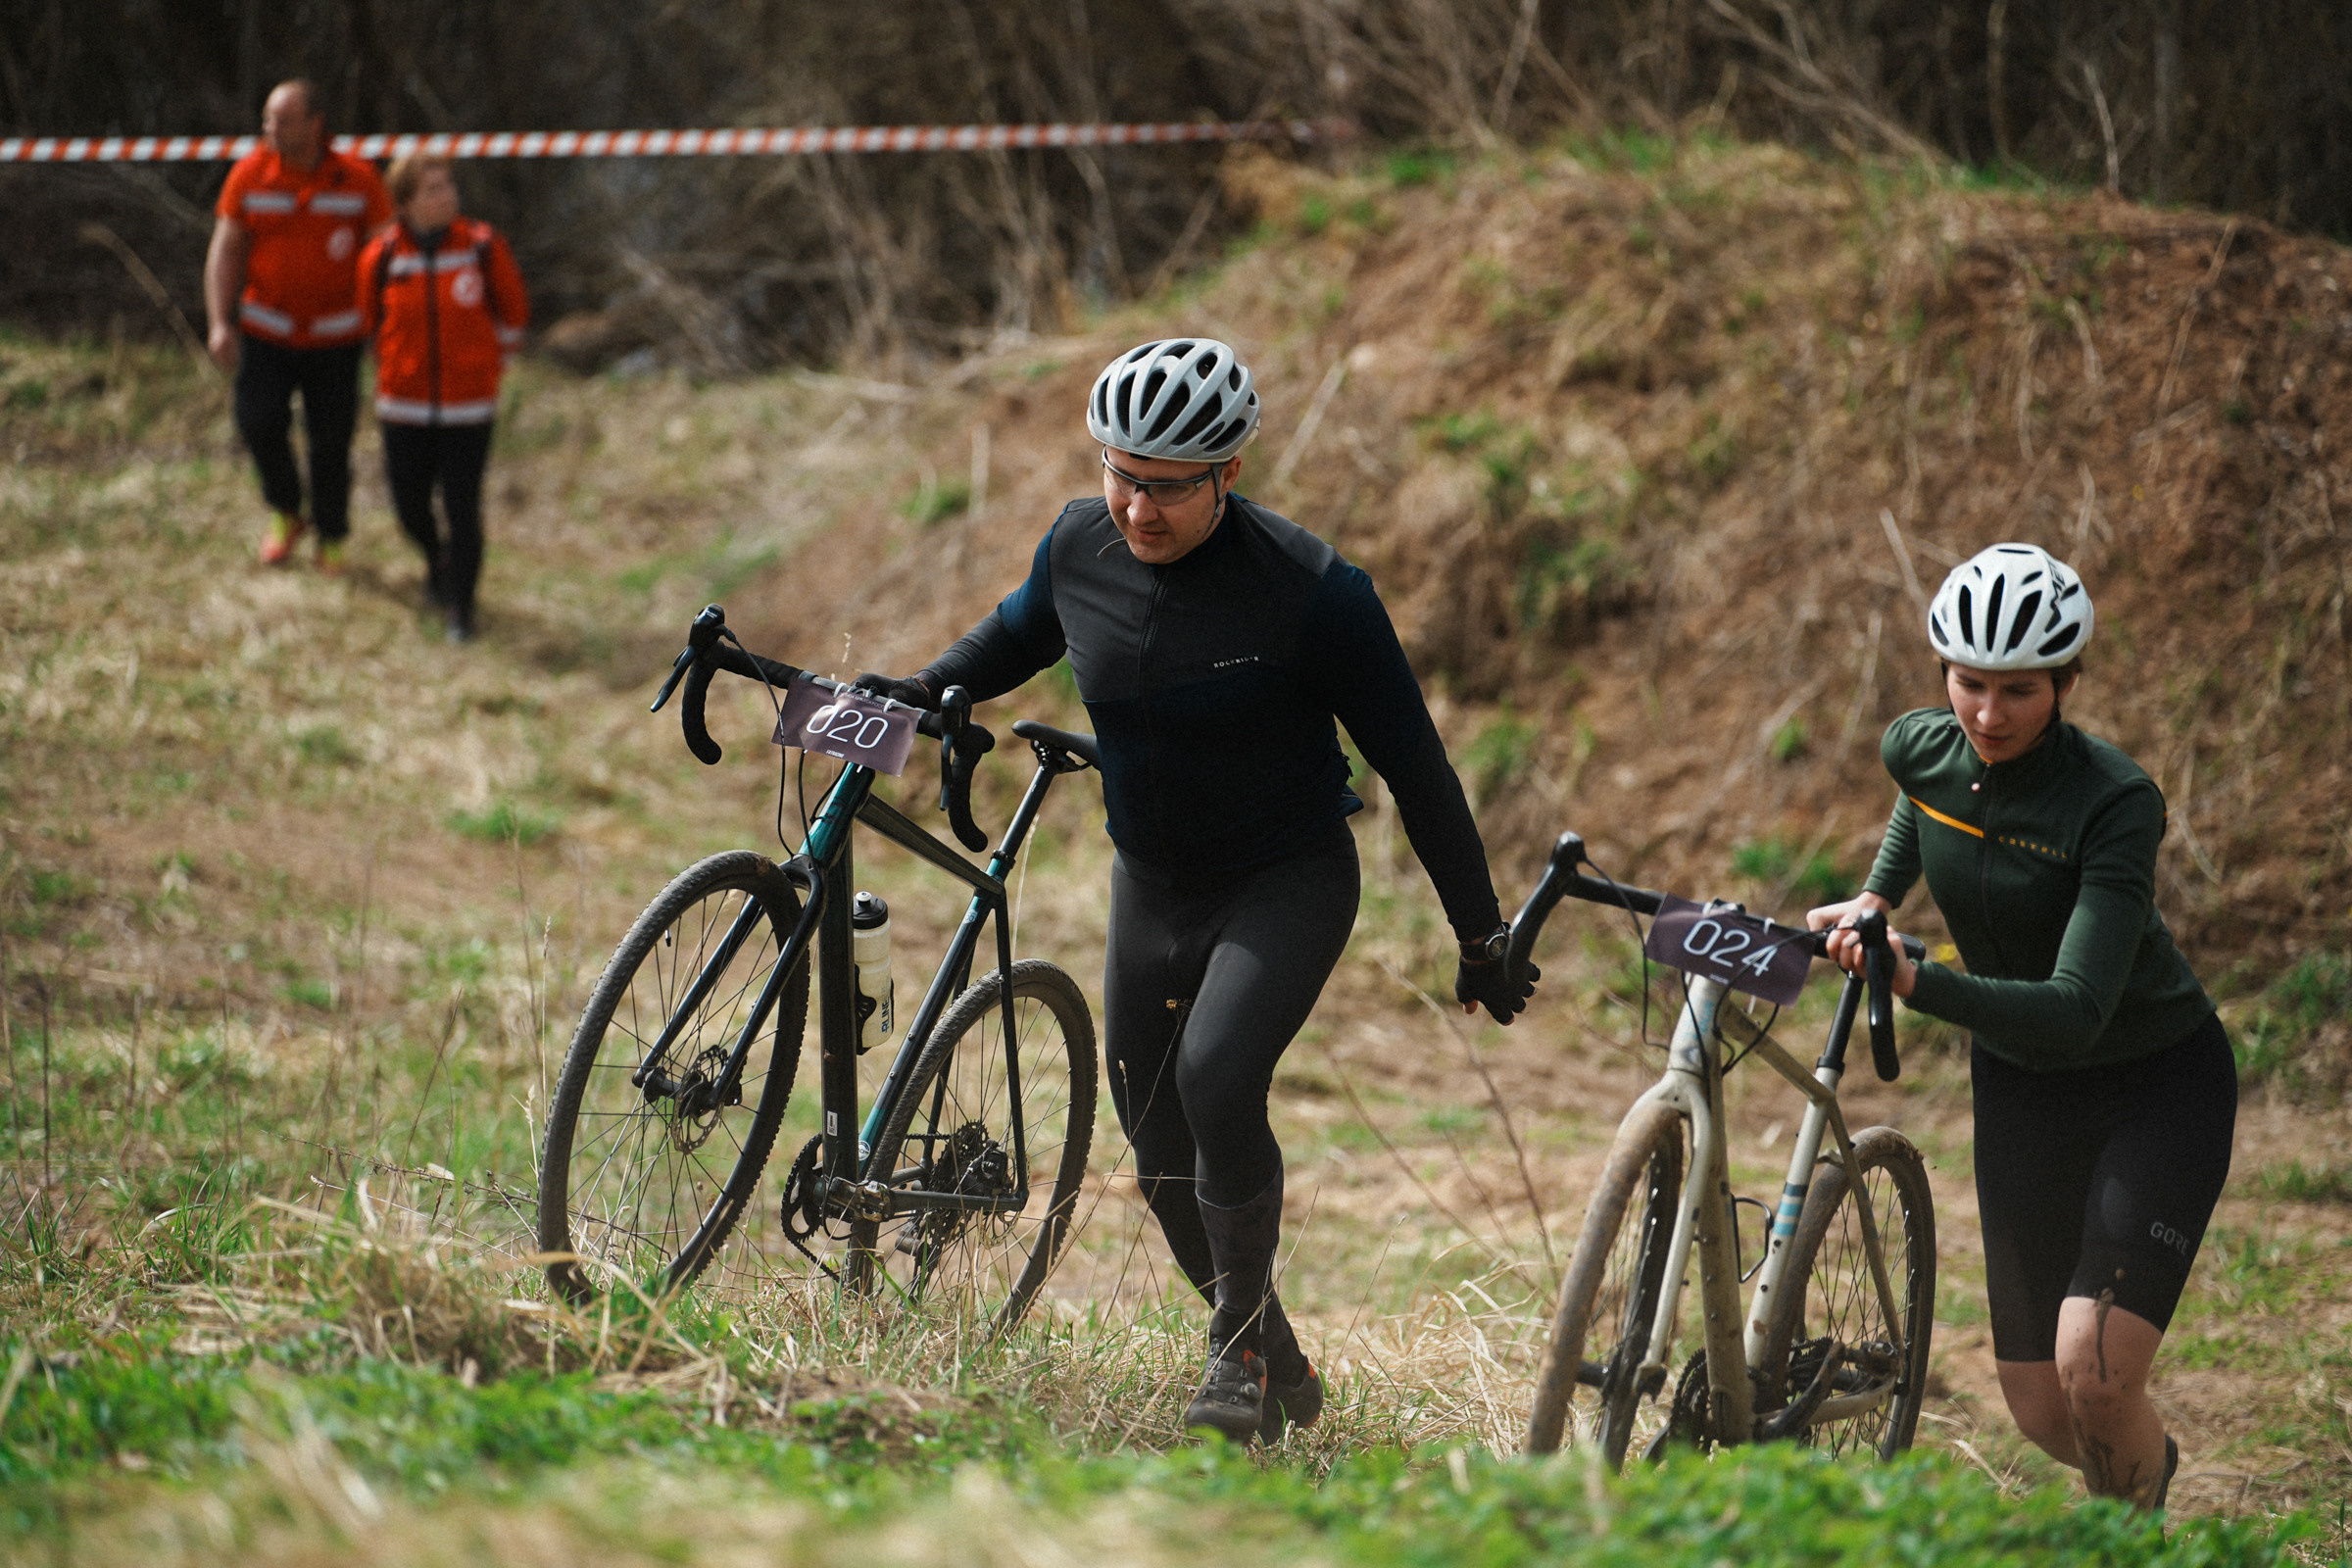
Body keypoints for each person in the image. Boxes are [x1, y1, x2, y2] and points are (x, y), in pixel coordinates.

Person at [857, 339, 1537, 1445]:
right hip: (1152, 882)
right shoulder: (1081, 543)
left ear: (1227, 472)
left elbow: (1418, 766)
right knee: (1156, 1140)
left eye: (1167, 485)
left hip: (1286, 879)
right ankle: (1269, 1351)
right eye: (1121, 474)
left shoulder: (1316, 595)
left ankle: (1228, 1354)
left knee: (1220, 1075)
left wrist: (1480, 930)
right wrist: (925, 687)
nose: (1137, 508)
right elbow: (1017, 633)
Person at [1808, 543, 2232, 1512]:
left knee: (2095, 1376)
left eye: (2019, 691)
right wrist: (1878, 894)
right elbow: (1926, 802)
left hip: (2151, 1080)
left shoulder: (2114, 803)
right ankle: (2144, 1479)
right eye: (1969, 685)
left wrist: (1920, 979)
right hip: (2019, 1082)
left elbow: (2078, 1007)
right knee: (2043, 1406)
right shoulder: (1919, 744)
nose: (1988, 716)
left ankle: (2133, 1533)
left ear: (2066, 683)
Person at [205, 79, 392, 572]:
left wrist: (384, 326)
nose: (271, 129)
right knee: (258, 423)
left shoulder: (357, 178)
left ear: (315, 123)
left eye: (283, 120)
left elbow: (385, 256)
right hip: (267, 332)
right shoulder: (249, 175)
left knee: (331, 443)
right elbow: (226, 248)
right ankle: (287, 511)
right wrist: (219, 321)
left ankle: (331, 536)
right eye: (267, 118)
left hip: (337, 338)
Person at [357, 154, 528, 642]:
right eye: (432, 189)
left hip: (468, 409)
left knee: (462, 509)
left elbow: (514, 312)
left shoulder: (482, 246)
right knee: (410, 507)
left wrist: (494, 364)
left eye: (448, 186)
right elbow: (371, 323)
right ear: (406, 202)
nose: (446, 196)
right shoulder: (382, 257)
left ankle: (462, 609)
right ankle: (436, 559)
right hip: (402, 407)